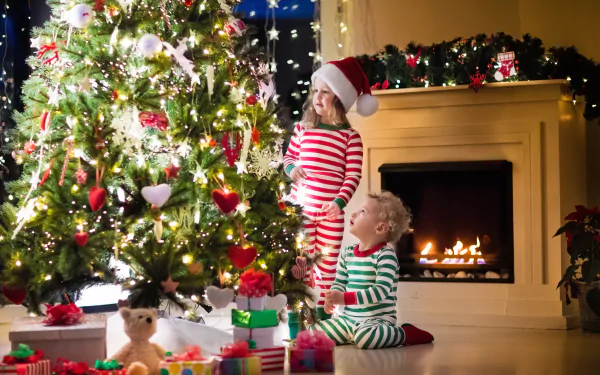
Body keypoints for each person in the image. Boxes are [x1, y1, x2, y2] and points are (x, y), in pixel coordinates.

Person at [284, 57, 379, 320]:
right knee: (301, 262)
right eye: (316, 91)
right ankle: (297, 311)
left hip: (330, 214)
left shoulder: (350, 137)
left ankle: (325, 313)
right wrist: (292, 170)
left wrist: (338, 203)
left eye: (326, 92)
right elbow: (289, 159)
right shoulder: (303, 129)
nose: (318, 97)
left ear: (339, 99)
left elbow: (352, 176)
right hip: (301, 209)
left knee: (327, 265)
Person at [311, 192, 434, 349]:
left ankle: (404, 333)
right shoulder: (347, 253)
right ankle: (352, 333)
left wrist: (344, 298)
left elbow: (380, 291)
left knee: (366, 338)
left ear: (380, 227)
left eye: (363, 211)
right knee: (312, 332)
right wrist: (332, 300)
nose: (354, 213)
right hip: (348, 319)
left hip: (377, 321)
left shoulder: (386, 256)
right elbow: (340, 282)